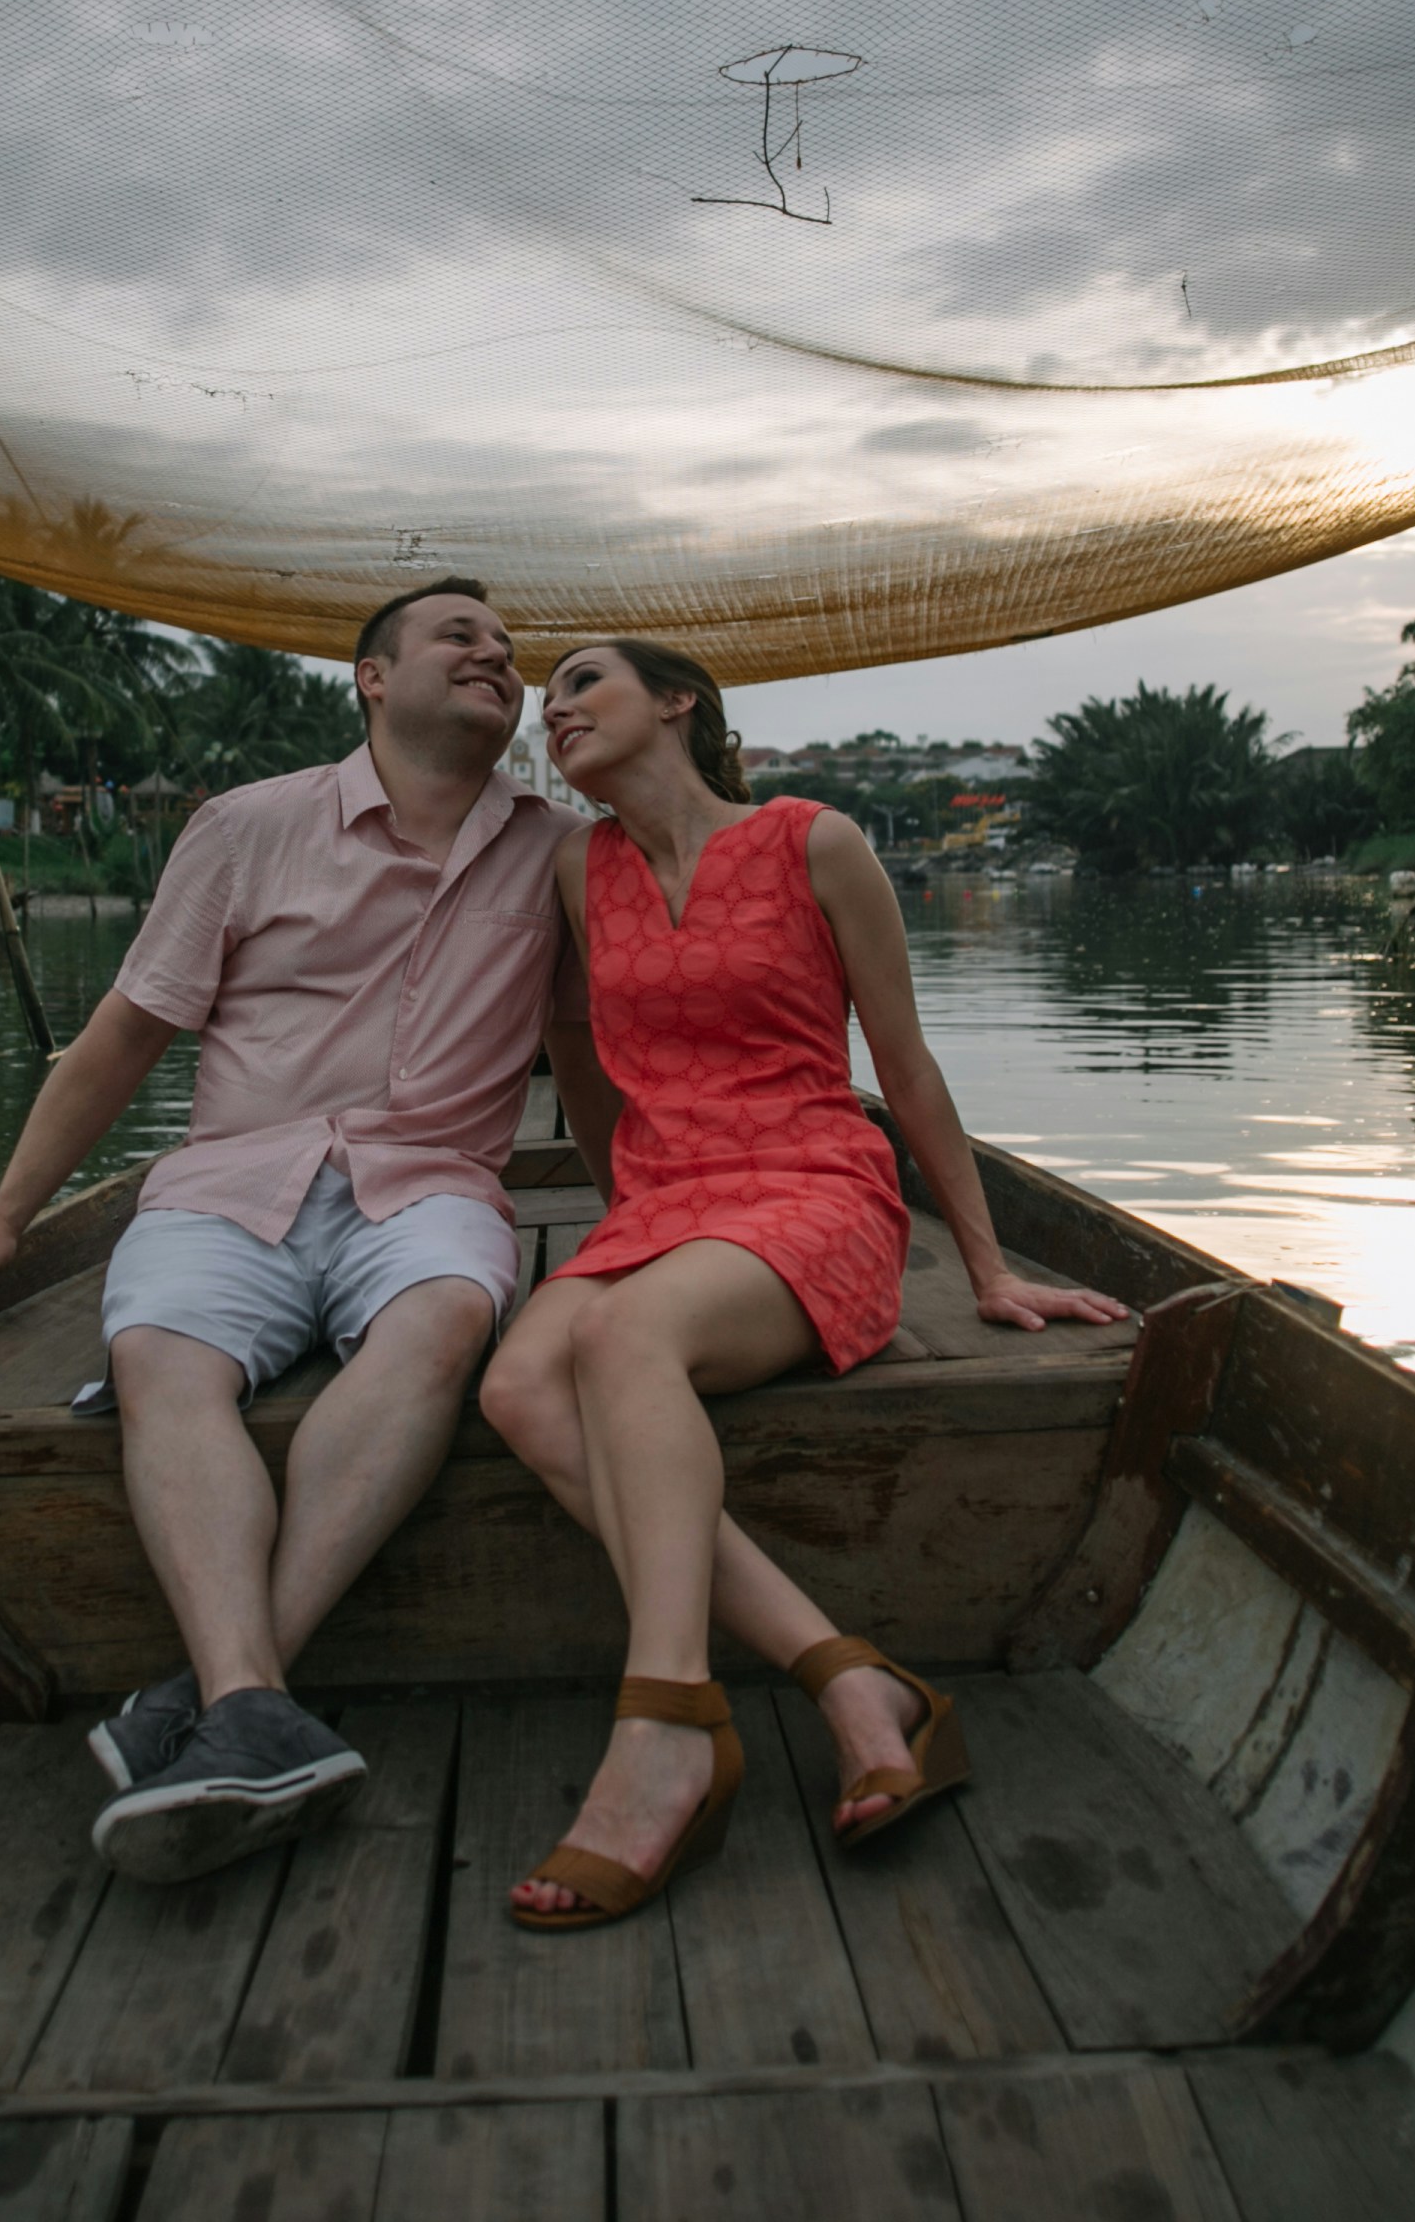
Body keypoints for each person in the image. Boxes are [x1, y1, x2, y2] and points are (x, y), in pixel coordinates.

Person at [0, 580, 567, 1882]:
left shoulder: (558, 851)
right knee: (160, 1356)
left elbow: (603, 1053)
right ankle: (249, 1701)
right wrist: (2, 1216)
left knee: (443, 1319)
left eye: (508, 649)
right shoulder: (248, 827)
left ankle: (222, 1699)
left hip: (430, 1185)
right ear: (372, 677)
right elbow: (124, 1036)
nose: (496, 656)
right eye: (459, 637)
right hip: (232, 1181)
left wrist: (653, 1203)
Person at [475, 640, 1125, 1930]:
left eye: (584, 682)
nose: (556, 709)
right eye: (547, 702)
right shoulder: (576, 867)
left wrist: (988, 1266)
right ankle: (848, 1678)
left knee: (621, 1343)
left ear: (678, 700)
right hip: (666, 1207)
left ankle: (666, 1722)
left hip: (813, 1183)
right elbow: (577, 1058)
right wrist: (624, 1205)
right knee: (518, 1387)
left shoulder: (813, 840)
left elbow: (907, 1064)